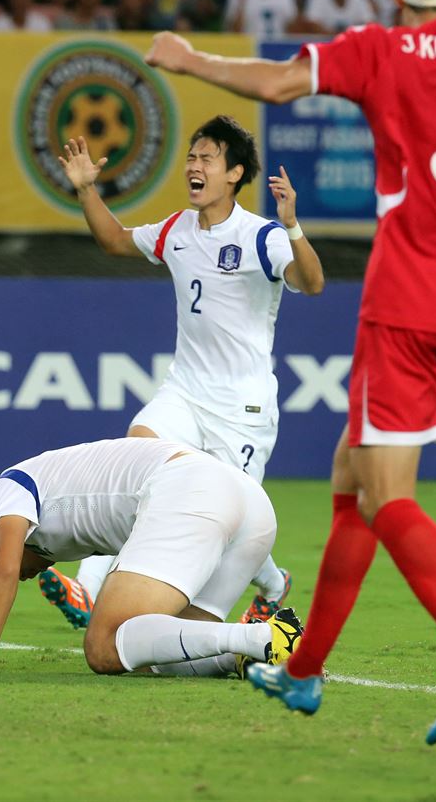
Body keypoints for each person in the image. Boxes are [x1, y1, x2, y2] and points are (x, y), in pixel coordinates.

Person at [144, 0, 436, 746]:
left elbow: (275, 81)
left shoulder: (379, 49)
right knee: (352, 477)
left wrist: (186, 55)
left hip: (406, 305)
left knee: (387, 495)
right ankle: (304, 674)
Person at [47, 116, 324, 636]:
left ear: (234, 174)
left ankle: (273, 585)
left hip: (241, 410)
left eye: (207, 159)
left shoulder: (261, 236)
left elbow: (312, 282)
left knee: (225, 521)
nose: (194, 167)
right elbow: (115, 241)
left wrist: (292, 225)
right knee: (135, 462)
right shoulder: (176, 229)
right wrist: (86, 190)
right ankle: (88, 587)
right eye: (191, 158)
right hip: (185, 393)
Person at [0, 437, 304, 677]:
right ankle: (245, 655)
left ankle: (261, 636)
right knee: (153, 652)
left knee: (104, 647)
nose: (21, 575)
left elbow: (4, 572)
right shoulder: (61, 506)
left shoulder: (6, 490)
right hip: (249, 504)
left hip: (192, 488)